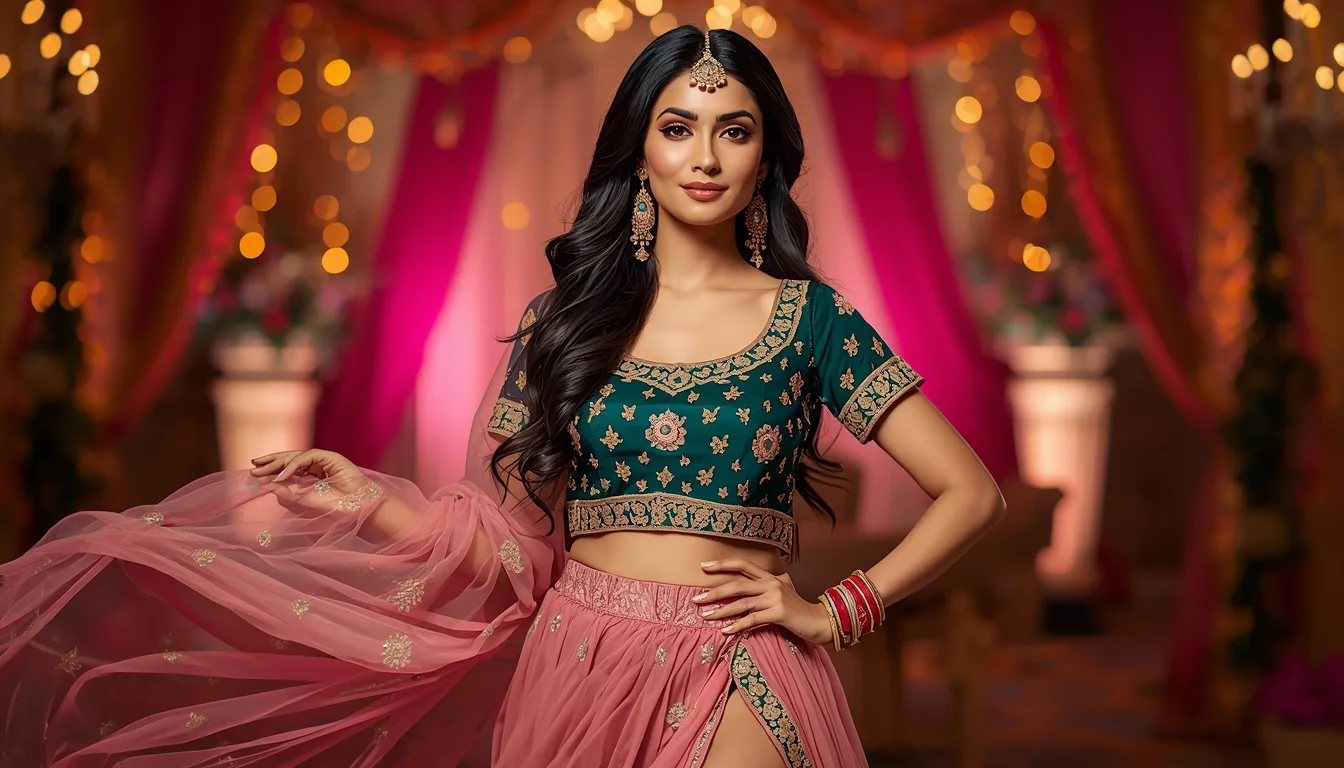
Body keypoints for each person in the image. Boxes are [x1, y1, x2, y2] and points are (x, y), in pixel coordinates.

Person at [0, 26, 1003, 767]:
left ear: (765, 154)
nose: (704, 157)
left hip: (743, 656)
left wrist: (837, 612)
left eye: (733, 131)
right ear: (639, 150)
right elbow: (515, 544)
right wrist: (373, 500)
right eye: (678, 127)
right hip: (581, 655)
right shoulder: (565, 323)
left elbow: (971, 491)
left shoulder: (811, 319)